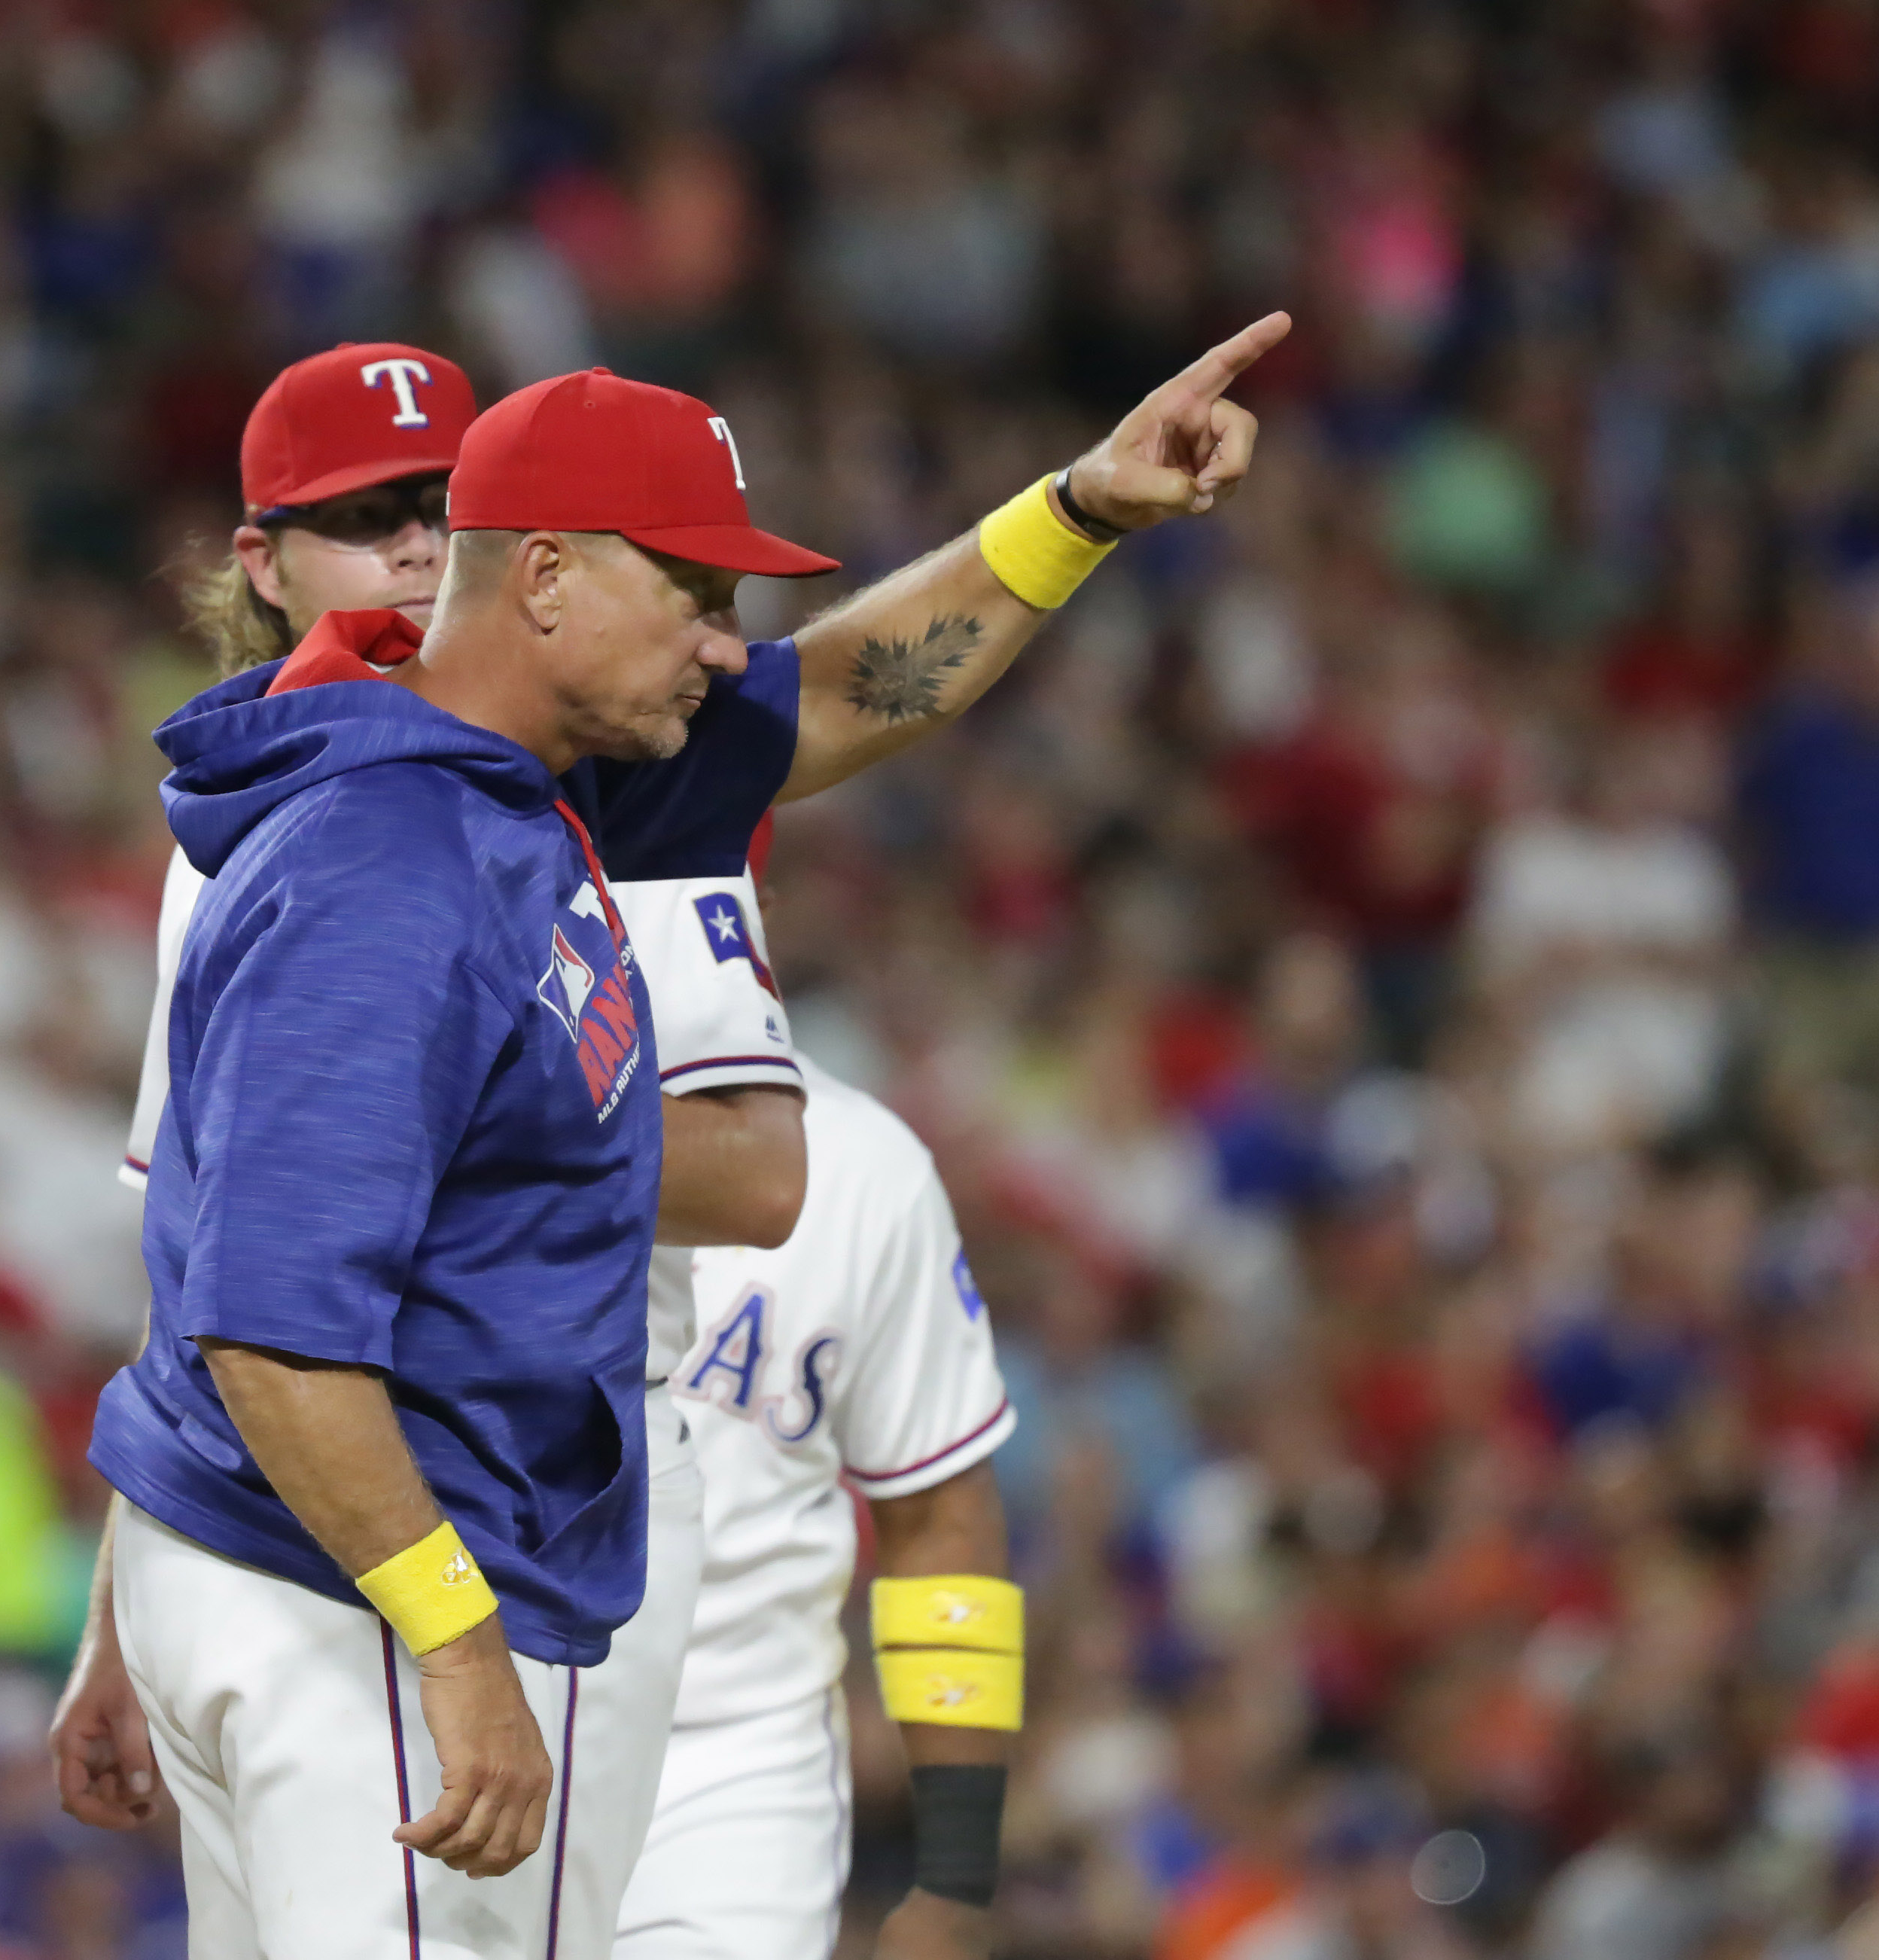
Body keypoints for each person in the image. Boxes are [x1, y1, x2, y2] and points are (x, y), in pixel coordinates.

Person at [84, 312, 1281, 1959]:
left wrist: (1073, 508)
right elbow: (252, 1303)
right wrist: (448, 1636)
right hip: (389, 1542)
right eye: (374, 516)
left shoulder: (501, 767)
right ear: (546, 577)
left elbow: (864, 679)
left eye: (440, 500)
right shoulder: (385, 840)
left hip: (372, 1536)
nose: (724, 642)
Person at [616, 1045, 1017, 1960]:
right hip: (460, 1702)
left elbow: (940, 1516)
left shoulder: (861, 1165)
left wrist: (953, 1879)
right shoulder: (465, 1088)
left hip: (726, 1761)